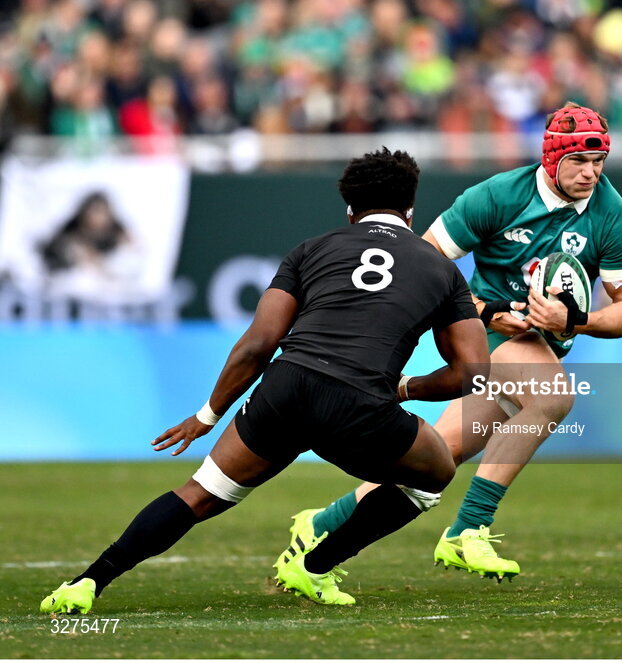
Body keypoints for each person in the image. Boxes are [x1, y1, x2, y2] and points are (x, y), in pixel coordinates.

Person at [40, 148, 490, 614]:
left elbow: (258, 344)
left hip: (286, 391)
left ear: (350, 210)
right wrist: (404, 388)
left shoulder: (311, 250)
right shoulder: (443, 271)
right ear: (411, 211)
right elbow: (473, 374)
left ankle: (87, 582)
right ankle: (315, 566)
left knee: (200, 495)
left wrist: (207, 415)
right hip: (360, 405)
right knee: (434, 474)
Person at [276, 102, 622, 582]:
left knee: (436, 458)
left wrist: (575, 319)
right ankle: (468, 530)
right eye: (578, 160)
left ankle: (318, 524)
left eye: (598, 162)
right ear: (550, 157)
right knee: (553, 396)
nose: (590, 173)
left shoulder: (613, 215)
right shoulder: (497, 195)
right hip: (478, 332)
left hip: (539, 341)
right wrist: (489, 311)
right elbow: (418, 265)